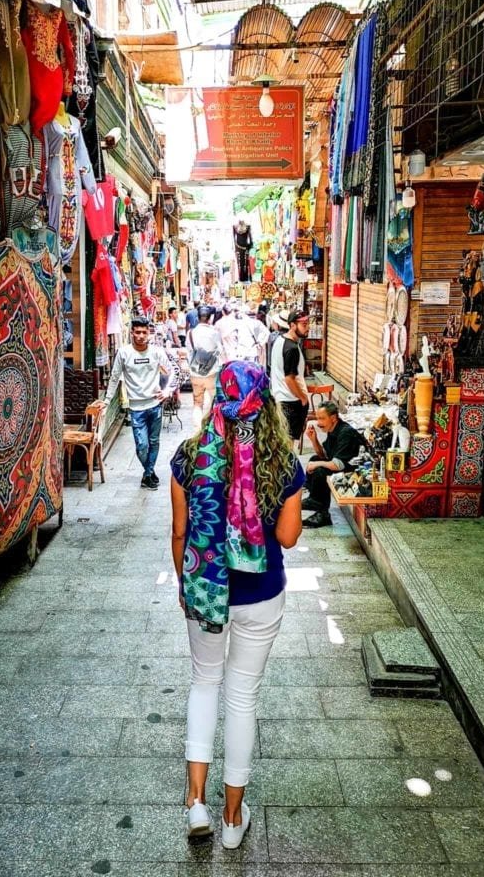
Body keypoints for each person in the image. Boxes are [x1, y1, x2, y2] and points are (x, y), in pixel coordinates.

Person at [170, 362, 304, 848]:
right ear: (265, 406)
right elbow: (287, 537)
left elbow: (181, 533)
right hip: (261, 594)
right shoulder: (283, 463)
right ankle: (231, 820)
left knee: (204, 683)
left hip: (206, 592)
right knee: (242, 698)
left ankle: (196, 803)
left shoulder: (188, 457)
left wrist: (188, 587)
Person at [105, 317, 170, 488]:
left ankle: (147, 475)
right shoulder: (124, 353)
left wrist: (167, 390)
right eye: (137, 332)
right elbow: (114, 378)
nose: (141, 336)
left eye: (144, 332)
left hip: (155, 405)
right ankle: (149, 471)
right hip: (136, 408)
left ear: (149, 333)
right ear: (132, 333)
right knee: (142, 445)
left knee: (154, 442)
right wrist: (106, 401)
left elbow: (172, 371)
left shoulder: (157, 352)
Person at [302, 402, 366, 527]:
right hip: (343, 467)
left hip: (355, 475)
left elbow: (338, 465)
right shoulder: (332, 430)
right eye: (317, 418)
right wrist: (314, 439)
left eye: (322, 418)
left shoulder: (345, 432)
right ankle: (314, 500)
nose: (318, 423)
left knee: (320, 469)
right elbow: (324, 455)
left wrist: (316, 464)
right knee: (314, 459)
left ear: (333, 418)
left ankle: (322, 512)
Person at [270, 308, 310, 439]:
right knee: (289, 443)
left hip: (281, 398)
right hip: (291, 401)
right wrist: (303, 398)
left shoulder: (280, 340)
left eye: (308, 323)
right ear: (292, 325)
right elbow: (289, 379)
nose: (308, 328)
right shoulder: (292, 348)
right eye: (304, 325)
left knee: (284, 441)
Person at [186, 305, 223, 427]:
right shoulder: (214, 332)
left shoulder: (191, 333)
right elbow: (220, 350)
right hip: (212, 372)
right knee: (213, 400)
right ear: (210, 318)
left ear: (198, 318)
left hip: (195, 373)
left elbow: (189, 351)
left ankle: (198, 430)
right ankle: (210, 426)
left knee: (197, 402)